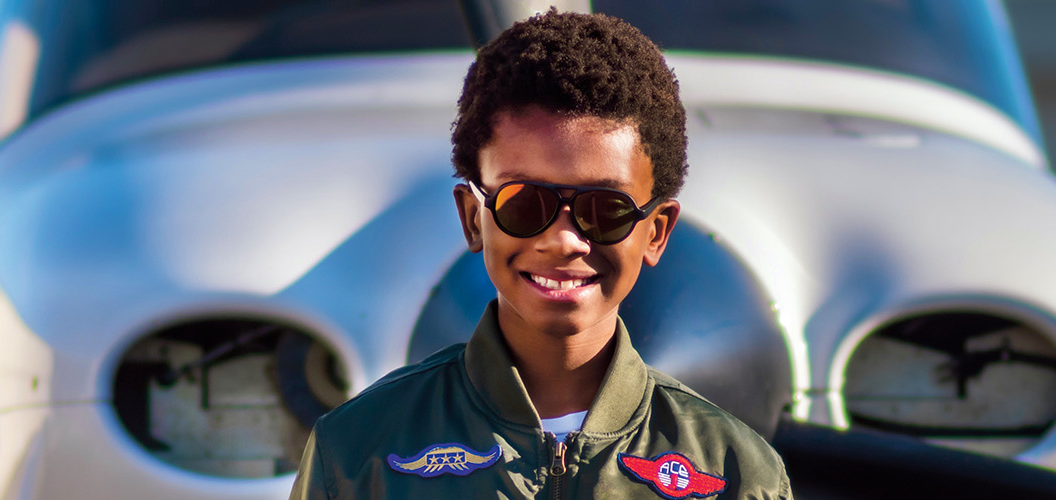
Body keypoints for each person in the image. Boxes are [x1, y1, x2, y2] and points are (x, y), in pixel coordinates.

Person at [290, 9, 792, 499]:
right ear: (472, 218)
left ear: (657, 232)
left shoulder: (737, 473)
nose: (563, 240)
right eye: (525, 203)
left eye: (606, 209)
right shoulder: (357, 454)